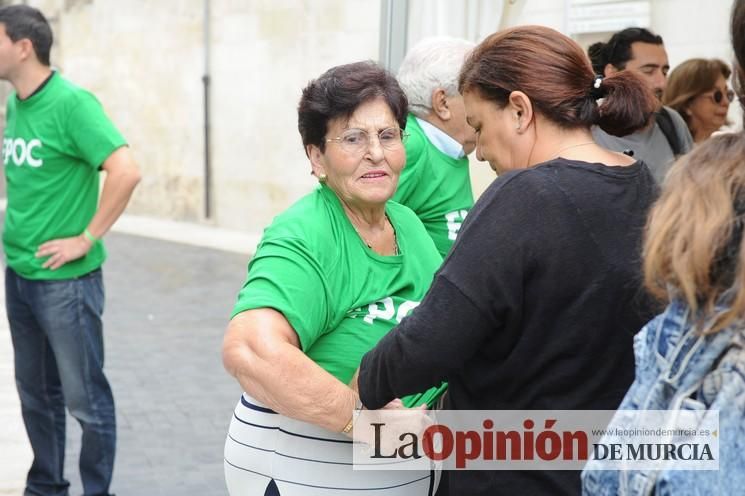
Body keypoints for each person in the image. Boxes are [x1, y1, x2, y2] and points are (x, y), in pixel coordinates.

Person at [356, 25, 659, 495]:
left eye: (478, 126)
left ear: (519, 110)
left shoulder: (526, 195)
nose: (479, 153)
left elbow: (431, 340)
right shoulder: (648, 188)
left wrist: (365, 384)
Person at [222, 61, 445, 496]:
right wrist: (362, 419)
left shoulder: (408, 224)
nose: (376, 153)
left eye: (388, 135)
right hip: (308, 472)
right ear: (316, 157)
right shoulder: (305, 233)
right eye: (353, 138)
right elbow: (249, 349)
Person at [0, 5, 141, 496]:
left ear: (22, 46)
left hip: (66, 283)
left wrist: (87, 236)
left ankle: (97, 491)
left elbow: (126, 169)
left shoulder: (72, 103)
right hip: (18, 275)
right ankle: (46, 487)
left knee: (86, 401)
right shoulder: (17, 103)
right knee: (36, 396)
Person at [394, 37, 476, 257]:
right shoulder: (410, 144)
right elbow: (358, 223)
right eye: (474, 95)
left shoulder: (451, 146)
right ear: (443, 103)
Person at [588, 27, 693, 183]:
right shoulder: (588, 130)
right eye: (648, 71)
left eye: (664, 72)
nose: (662, 83)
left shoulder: (671, 121)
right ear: (613, 72)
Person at [663, 58, 734, 144]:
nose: (726, 102)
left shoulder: (731, 149)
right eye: (717, 96)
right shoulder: (666, 151)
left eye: (728, 94)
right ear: (687, 105)